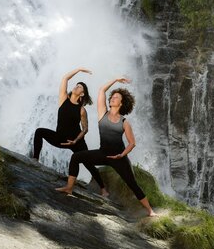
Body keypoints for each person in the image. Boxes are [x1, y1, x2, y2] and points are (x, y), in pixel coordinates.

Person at [56, 77, 156, 217]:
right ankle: (69, 188)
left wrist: (122, 155)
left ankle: (150, 211)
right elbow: (102, 90)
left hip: (119, 158)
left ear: (121, 103)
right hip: (103, 154)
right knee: (76, 156)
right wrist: (116, 79)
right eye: (112, 97)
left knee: (132, 184)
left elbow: (132, 143)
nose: (113, 99)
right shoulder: (102, 113)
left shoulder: (124, 122)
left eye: (116, 98)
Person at [32, 67, 107, 195]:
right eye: (76, 85)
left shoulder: (81, 110)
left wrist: (76, 141)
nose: (76, 87)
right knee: (39, 132)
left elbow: (85, 128)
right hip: (59, 138)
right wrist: (78, 69)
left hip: (76, 140)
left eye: (79, 87)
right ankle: (35, 160)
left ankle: (103, 189)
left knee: (87, 163)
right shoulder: (63, 99)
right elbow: (65, 78)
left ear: (82, 94)